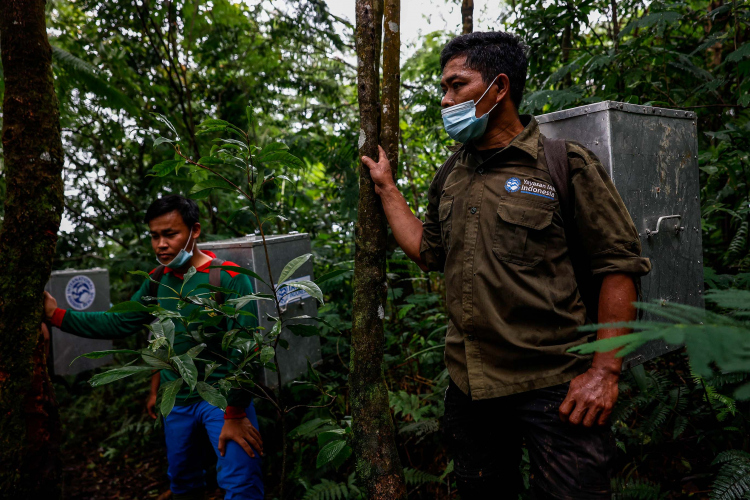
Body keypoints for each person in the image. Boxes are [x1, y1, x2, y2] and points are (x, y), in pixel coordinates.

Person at [363, 31, 651, 498]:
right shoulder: (451, 174)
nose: (445, 99)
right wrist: (388, 190)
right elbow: (427, 251)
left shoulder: (564, 164)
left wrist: (605, 372)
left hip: (557, 386)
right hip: (471, 387)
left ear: (499, 88)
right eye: (443, 88)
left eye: (457, 85)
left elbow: (617, 267)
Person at [44, 195, 264, 500]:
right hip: (177, 400)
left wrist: (236, 412)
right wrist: (56, 315)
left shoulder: (228, 277)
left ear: (195, 231)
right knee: (183, 482)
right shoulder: (157, 280)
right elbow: (117, 322)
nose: (161, 244)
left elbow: (246, 349)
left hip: (223, 401)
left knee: (241, 485)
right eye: (154, 236)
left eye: (170, 234)